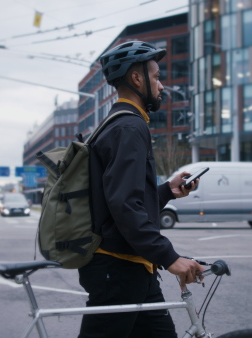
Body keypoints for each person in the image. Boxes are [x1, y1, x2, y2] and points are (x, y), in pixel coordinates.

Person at [78, 41, 205, 338]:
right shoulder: (129, 128)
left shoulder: (116, 124)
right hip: (118, 270)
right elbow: (124, 205)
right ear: (137, 79)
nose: (161, 85)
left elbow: (119, 199)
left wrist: (167, 191)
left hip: (134, 268)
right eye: (157, 76)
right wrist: (169, 257)